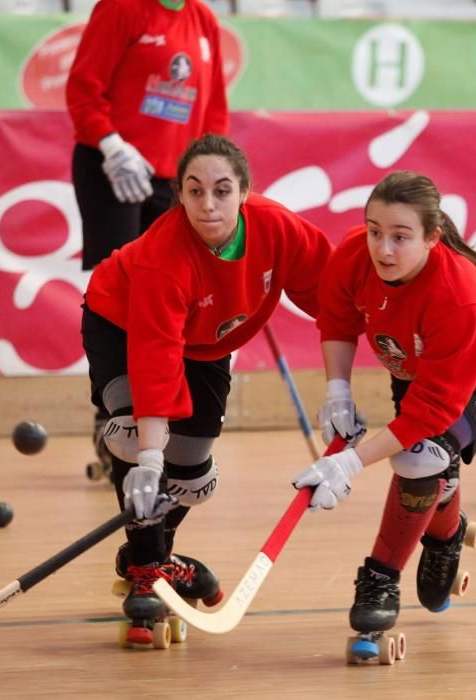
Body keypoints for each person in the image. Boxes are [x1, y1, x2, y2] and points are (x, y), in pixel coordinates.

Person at [82, 134, 332, 645]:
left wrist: (344, 386)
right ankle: (147, 572)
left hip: (207, 345)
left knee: (192, 478)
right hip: (122, 321)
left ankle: (153, 556)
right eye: (194, 191)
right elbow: (154, 359)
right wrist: (149, 461)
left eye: (221, 190)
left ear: (245, 192)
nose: (208, 204)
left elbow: (337, 296)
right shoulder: (162, 256)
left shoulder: (277, 227)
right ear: (179, 194)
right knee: (134, 437)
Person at [291, 171, 476, 646]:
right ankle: (446, 534)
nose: (383, 249)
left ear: (431, 238)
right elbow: (338, 320)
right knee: (428, 462)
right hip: (418, 368)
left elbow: (430, 411)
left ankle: (380, 579)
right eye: (374, 231)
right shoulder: (353, 255)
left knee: (421, 456)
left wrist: (349, 463)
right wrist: (337, 391)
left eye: (400, 237)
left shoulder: (459, 297)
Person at [66, 0, 230, 476]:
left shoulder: (203, 20)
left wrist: (214, 178)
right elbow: (83, 91)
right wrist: (112, 144)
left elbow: (213, 111)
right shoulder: (120, 9)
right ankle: (114, 422)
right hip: (111, 167)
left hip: (177, 180)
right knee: (121, 301)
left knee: (178, 297)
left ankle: (170, 420)